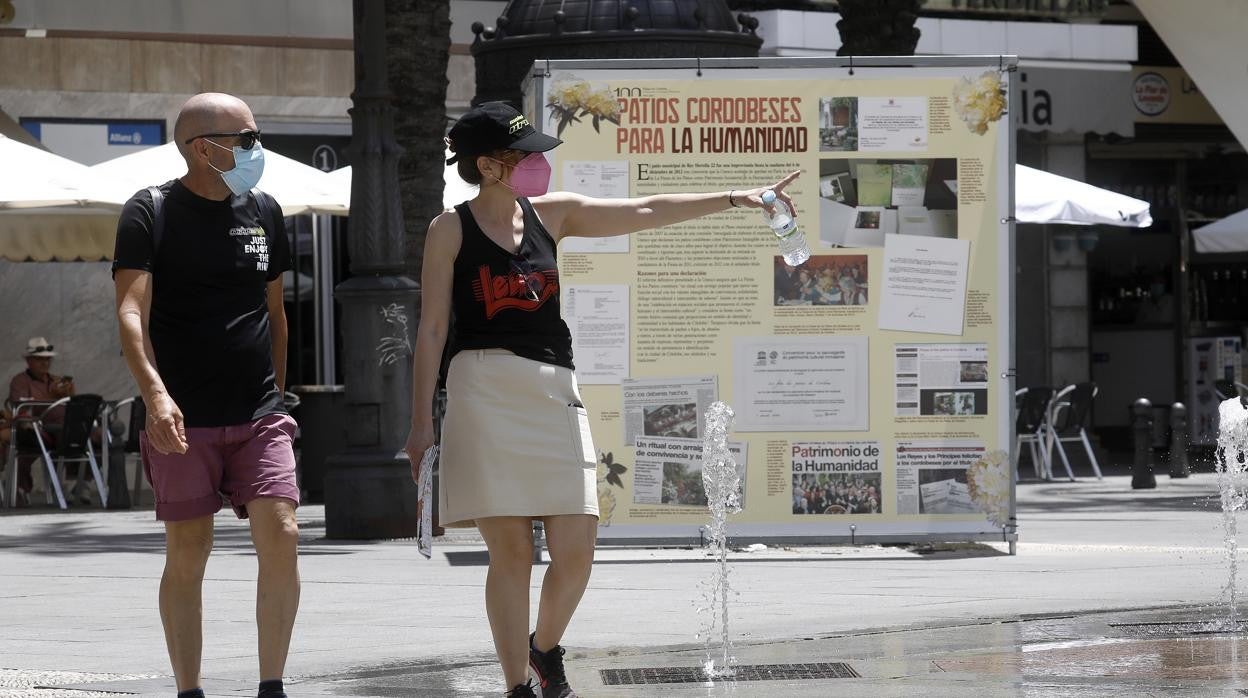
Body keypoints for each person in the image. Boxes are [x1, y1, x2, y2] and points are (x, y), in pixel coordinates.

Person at [403, 101, 799, 698]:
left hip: (554, 390)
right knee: (509, 554)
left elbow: (643, 210)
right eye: (524, 155)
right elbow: (432, 329)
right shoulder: (449, 229)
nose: (539, 162)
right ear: (488, 166)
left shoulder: (553, 215)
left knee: (578, 547)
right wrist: (420, 424)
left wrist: (738, 197)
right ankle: (516, 685)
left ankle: (542, 648)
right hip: (482, 390)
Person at [111, 93, 298, 698]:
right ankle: (189, 688)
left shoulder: (265, 211)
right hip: (182, 418)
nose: (256, 148)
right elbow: (130, 312)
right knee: (189, 553)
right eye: (246, 139)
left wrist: (280, 391)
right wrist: (156, 396)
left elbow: (275, 312)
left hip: (259, 411)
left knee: (284, 534)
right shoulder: (151, 211)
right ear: (202, 147)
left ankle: (272, 685)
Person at [7, 337, 76, 506]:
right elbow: (21, 409)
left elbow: (73, 405)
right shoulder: (20, 381)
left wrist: (69, 393)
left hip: (62, 428)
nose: (45, 363)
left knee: (94, 433)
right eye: (40, 359)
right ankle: (22, 487)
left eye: (47, 359)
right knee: (27, 440)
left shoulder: (56, 381)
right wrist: (51, 397)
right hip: (36, 429)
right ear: (29, 360)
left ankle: (80, 483)